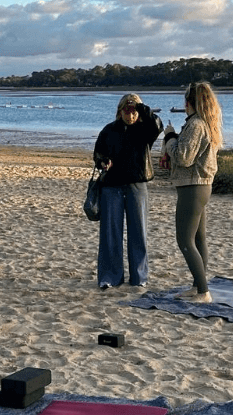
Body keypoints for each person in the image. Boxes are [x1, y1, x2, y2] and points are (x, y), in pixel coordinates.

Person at [93, 93, 163, 289]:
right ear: (120, 110)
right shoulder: (109, 130)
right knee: (110, 233)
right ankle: (110, 277)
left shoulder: (145, 130)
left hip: (137, 185)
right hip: (112, 186)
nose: (130, 114)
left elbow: (158, 125)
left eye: (134, 111)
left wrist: (142, 108)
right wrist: (102, 162)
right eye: (127, 110)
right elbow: (98, 153)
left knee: (138, 232)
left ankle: (139, 278)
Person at [163, 81, 223, 304]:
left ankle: (203, 291)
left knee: (185, 240)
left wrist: (169, 137)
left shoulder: (197, 124)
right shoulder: (206, 122)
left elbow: (183, 157)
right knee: (198, 238)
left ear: (189, 102)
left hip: (193, 186)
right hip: (200, 185)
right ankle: (198, 286)